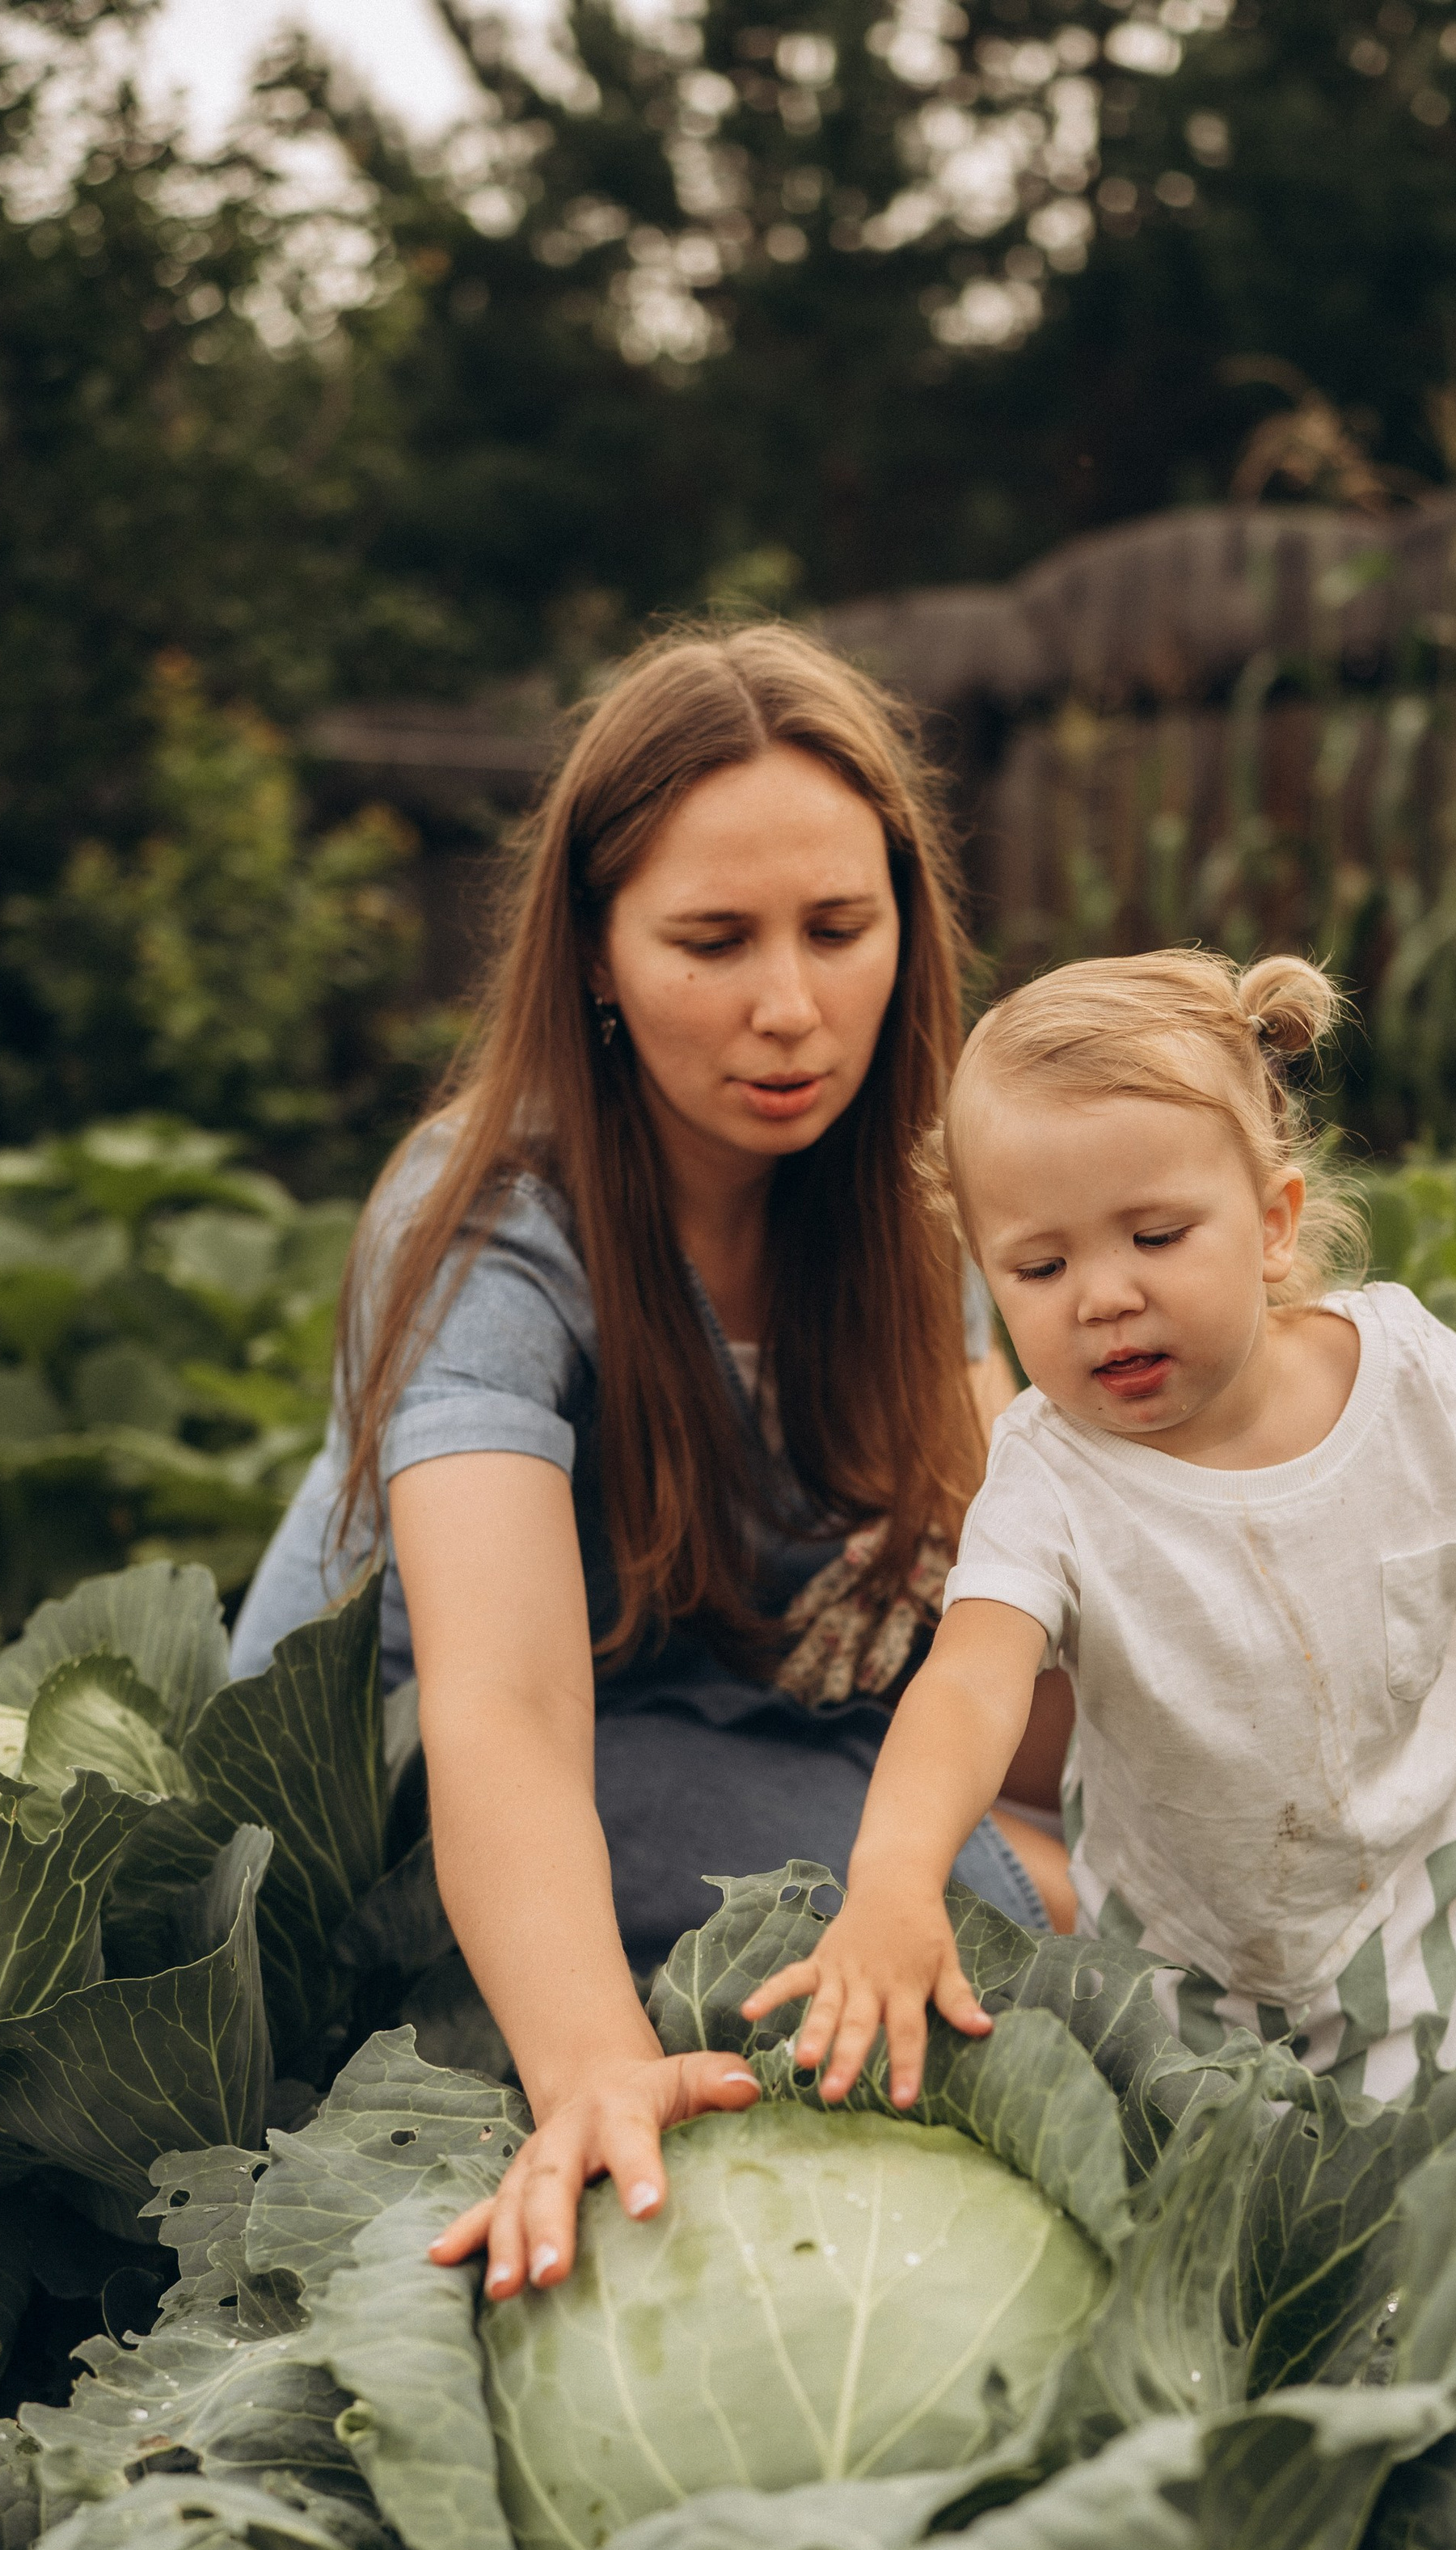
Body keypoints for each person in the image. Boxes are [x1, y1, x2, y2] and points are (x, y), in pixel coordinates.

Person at [229, 625, 1076, 2297]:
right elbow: (502, 1707)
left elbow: (972, 1588)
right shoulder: (485, 1222)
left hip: (707, 1700)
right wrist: (594, 2072)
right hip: (403, 1777)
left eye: (839, 930)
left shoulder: (910, 1196)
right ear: (598, 955)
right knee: (1011, 1917)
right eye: (711, 939)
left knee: (1090, 1872)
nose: (789, 1008)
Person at [742, 947, 1456, 2105]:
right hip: (1167, 1919)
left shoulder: (1394, 1373)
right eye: (1038, 1266)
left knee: (1391, 2158)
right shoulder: (1050, 1471)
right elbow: (970, 1682)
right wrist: (896, 1871)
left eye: (1153, 1237)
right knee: (1195, 2156)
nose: (1101, 1296)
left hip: (1406, 1876)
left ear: (1274, 1224)